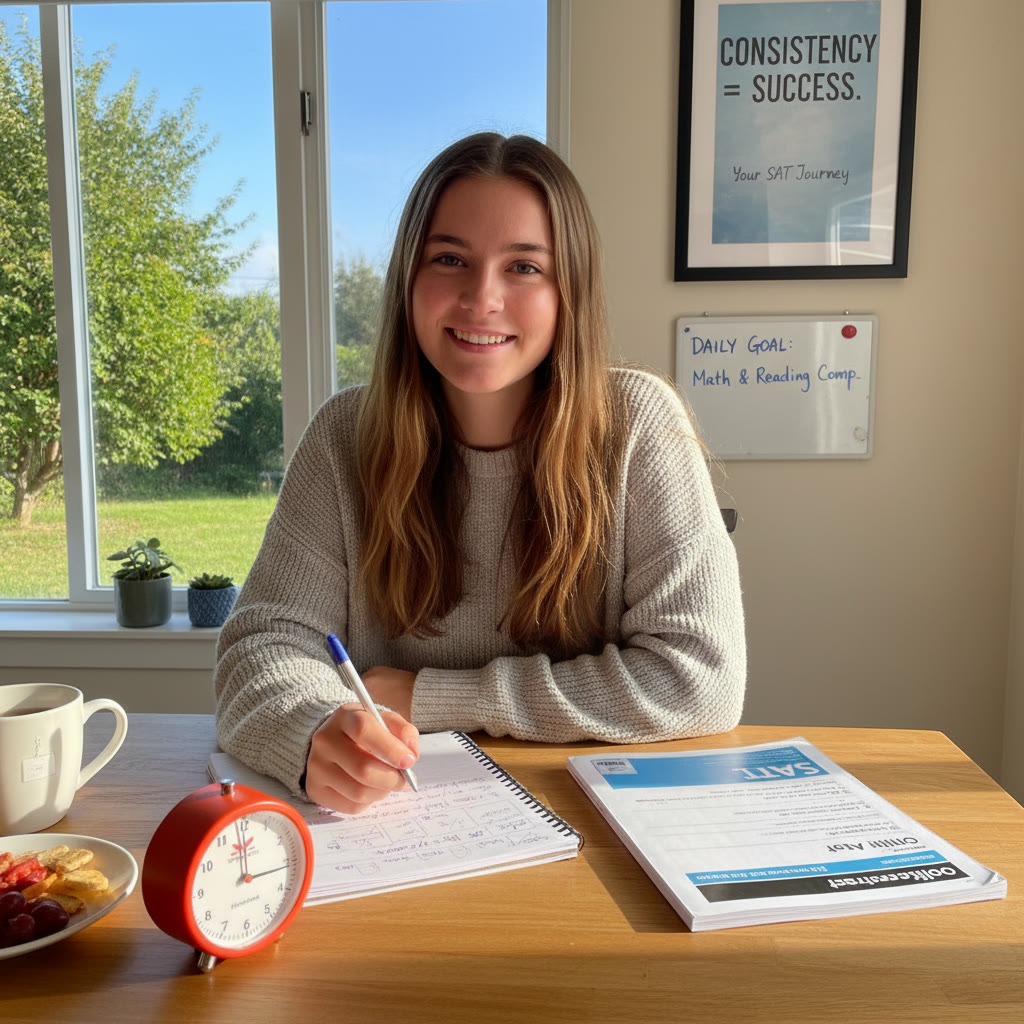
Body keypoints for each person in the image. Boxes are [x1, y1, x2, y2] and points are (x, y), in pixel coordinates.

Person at [214, 132, 746, 815]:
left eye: (524, 267)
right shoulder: (343, 437)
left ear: (569, 292)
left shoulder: (640, 424)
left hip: (601, 823)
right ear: (409, 279)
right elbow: (261, 646)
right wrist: (312, 731)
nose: (481, 297)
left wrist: (433, 697)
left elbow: (700, 679)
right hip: (391, 828)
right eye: (449, 259)